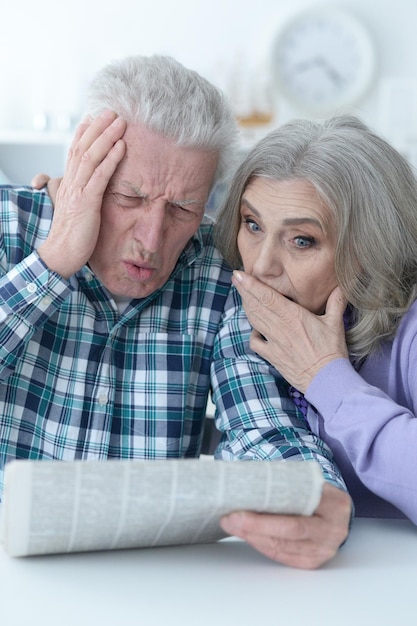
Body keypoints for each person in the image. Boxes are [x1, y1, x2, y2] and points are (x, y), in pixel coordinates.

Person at [1, 54, 351, 569]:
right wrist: (53, 263)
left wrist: (310, 494)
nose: (151, 239)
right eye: (129, 196)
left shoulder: (219, 272)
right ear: (86, 167)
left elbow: (260, 423)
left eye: (184, 207)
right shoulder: (10, 226)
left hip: (146, 579)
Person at [214, 113, 417, 524]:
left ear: (369, 249)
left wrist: (326, 378)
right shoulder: (253, 311)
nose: (261, 265)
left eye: (302, 240)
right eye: (252, 225)